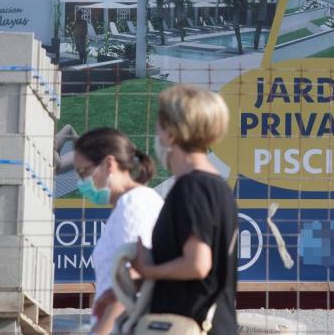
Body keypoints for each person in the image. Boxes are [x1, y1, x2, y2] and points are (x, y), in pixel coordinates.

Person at [132, 85, 238, 335]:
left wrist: (148, 270)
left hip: (187, 324)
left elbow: (197, 264)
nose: (157, 136)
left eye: (159, 128)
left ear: (171, 134)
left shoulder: (192, 187)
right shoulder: (218, 187)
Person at [73, 128, 164, 335]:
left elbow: (130, 281)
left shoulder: (133, 204)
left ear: (109, 164)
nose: (81, 183)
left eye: (84, 172)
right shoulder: (129, 204)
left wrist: (100, 332)